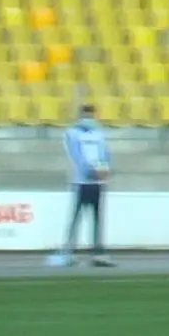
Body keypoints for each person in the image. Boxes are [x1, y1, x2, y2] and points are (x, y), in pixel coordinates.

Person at [50, 103, 115, 268]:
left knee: (97, 219)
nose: (89, 118)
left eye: (91, 115)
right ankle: (68, 253)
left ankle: (98, 254)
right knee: (76, 218)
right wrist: (89, 170)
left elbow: (105, 153)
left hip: (98, 181)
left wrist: (106, 169)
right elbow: (76, 155)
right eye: (87, 115)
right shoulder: (72, 133)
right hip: (81, 180)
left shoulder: (99, 133)